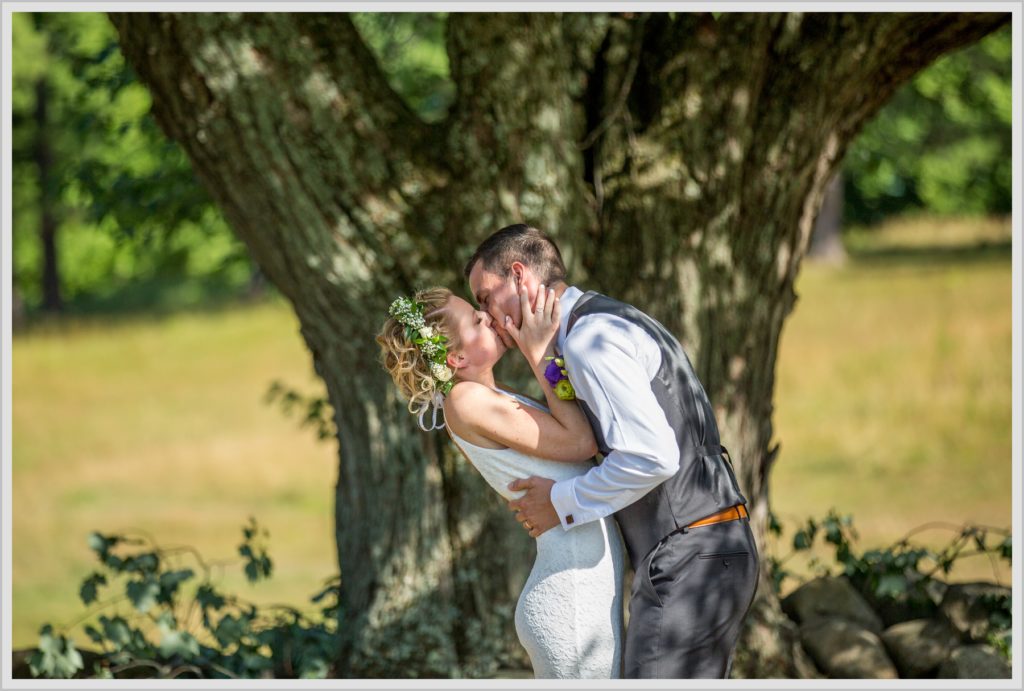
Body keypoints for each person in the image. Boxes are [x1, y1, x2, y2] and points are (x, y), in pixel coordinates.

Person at [465, 223, 759, 679]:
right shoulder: (599, 324)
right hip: (694, 552)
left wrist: (559, 503)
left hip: (693, 554)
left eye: (485, 297)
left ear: (520, 277)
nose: (486, 315)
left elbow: (652, 456)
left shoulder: (590, 342)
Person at [376, 286, 626, 679]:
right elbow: (580, 443)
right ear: (456, 357)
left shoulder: (491, 396)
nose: (487, 316)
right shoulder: (465, 403)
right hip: (570, 598)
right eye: (476, 320)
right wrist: (540, 351)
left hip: (583, 588)